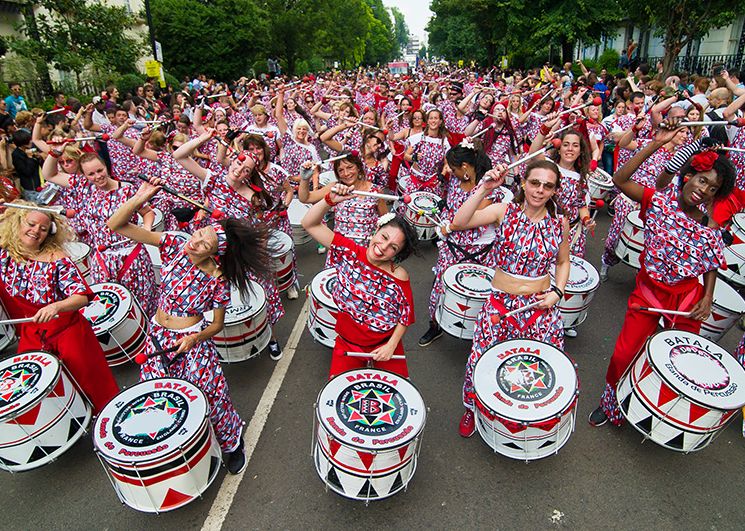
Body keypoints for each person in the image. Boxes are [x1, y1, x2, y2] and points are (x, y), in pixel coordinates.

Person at [107, 180, 272, 474]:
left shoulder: (219, 279)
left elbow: (217, 325)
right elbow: (117, 225)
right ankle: (178, 451)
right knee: (158, 394)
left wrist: (196, 337)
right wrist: (141, 196)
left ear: (213, 254)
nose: (194, 241)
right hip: (157, 336)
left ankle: (232, 443)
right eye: (198, 233)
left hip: (191, 342)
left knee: (211, 394)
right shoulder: (172, 244)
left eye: (203, 243)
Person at [588, 120, 736, 427]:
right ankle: (611, 402)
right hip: (649, 292)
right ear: (689, 176)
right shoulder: (659, 202)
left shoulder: (710, 225)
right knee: (623, 354)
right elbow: (620, 178)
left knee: (678, 362)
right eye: (701, 181)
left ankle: (655, 410)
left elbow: (710, 264)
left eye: (712, 188)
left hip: (686, 299)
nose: (704, 190)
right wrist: (657, 142)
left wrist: (707, 297)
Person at [451, 159, 570, 437]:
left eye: (547, 186)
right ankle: (473, 408)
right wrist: (484, 188)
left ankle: (526, 420)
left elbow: (563, 262)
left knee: (534, 367)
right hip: (500, 304)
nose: (539, 190)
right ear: (524, 183)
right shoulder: (504, 211)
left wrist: (557, 292)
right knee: (483, 360)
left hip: (541, 307)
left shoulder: (559, 222)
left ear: (554, 191)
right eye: (535, 183)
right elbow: (459, 222)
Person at [0, 200, 119, 413]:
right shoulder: (5, 254)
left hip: (68, 332)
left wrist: (56, 306)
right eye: (31, 224)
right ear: (18, 222)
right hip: (33, 333)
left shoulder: (57, 259)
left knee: (94, 387)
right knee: (33, 390)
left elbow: (82, 297)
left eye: (43, 229)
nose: (36, 231)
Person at [301, 185, 418, 379]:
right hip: (347, 341)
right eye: (384, 237)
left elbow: (405, 316)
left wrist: (391, 345)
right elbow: (309, 223)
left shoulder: (399, 275)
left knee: (395, 399)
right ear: (377, 229)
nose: (383, 248)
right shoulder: (350, 252)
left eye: (393, 247)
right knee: (340, 398)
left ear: (397, 254)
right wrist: (329, 200)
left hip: (385, 343)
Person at [41, 151, 158, 316]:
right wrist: (54, 153)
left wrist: (146, 231)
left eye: (100, 170)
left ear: (106, 167)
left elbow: (148, 213)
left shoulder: (127, 189)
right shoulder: (83, 187)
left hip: (131, 255)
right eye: (91, 174)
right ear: (84, 175)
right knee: (110, 308)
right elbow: (49, 174)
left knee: (141, 304)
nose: (97, 176)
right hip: (102, 258)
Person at [418, 141, 505, 346]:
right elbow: (451, 209)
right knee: (440, 286)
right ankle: (435, 325)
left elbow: (468, 218)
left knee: (480, 294)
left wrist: (449, 227)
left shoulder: (489, 190)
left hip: (480, 251)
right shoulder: (455, 183)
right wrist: (444, 225)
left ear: (465, 167)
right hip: (452, 247)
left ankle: (480, 335)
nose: (450, 171)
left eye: (453, 168)